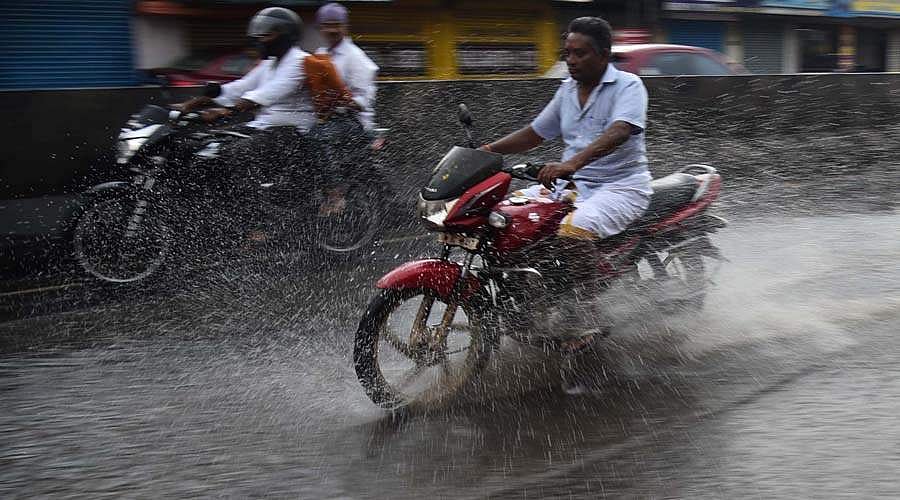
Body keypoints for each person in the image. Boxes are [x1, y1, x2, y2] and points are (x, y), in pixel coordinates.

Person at [480, 17, 653, 359]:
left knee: (571, 231)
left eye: (580, 53)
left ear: (604, 55)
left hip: (621, 187)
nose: (571, 60)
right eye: (568, 53)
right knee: (505, 218)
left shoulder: (629, 86)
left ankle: (587, 312)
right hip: (574, 186)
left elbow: (620, 131)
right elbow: (534, 133)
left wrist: (573, 162)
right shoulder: (566, 91)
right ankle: (532, 299)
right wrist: (486, 151)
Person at [173, 7, 319, 237]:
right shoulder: (271, 63)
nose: (260, 40)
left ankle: (259, 223)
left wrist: (224, 111)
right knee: (203, 147)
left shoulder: (300, 62)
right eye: (260, 34)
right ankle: (218, 212)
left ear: (286, 35)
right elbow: (240, 87)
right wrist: (197, 101)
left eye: (267, 34)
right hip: (264, 128)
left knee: (236, 156)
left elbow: (266, 94)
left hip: (292, 134)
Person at [314, 2, 379, 131]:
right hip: (329, 124)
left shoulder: (356, 57)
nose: (332, 30)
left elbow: (364, 100)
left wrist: (339, 101)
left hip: (354, 128)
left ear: (345, 27)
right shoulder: (320, 53)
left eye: (337, 25)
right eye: (327, 25)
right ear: (320, 28)